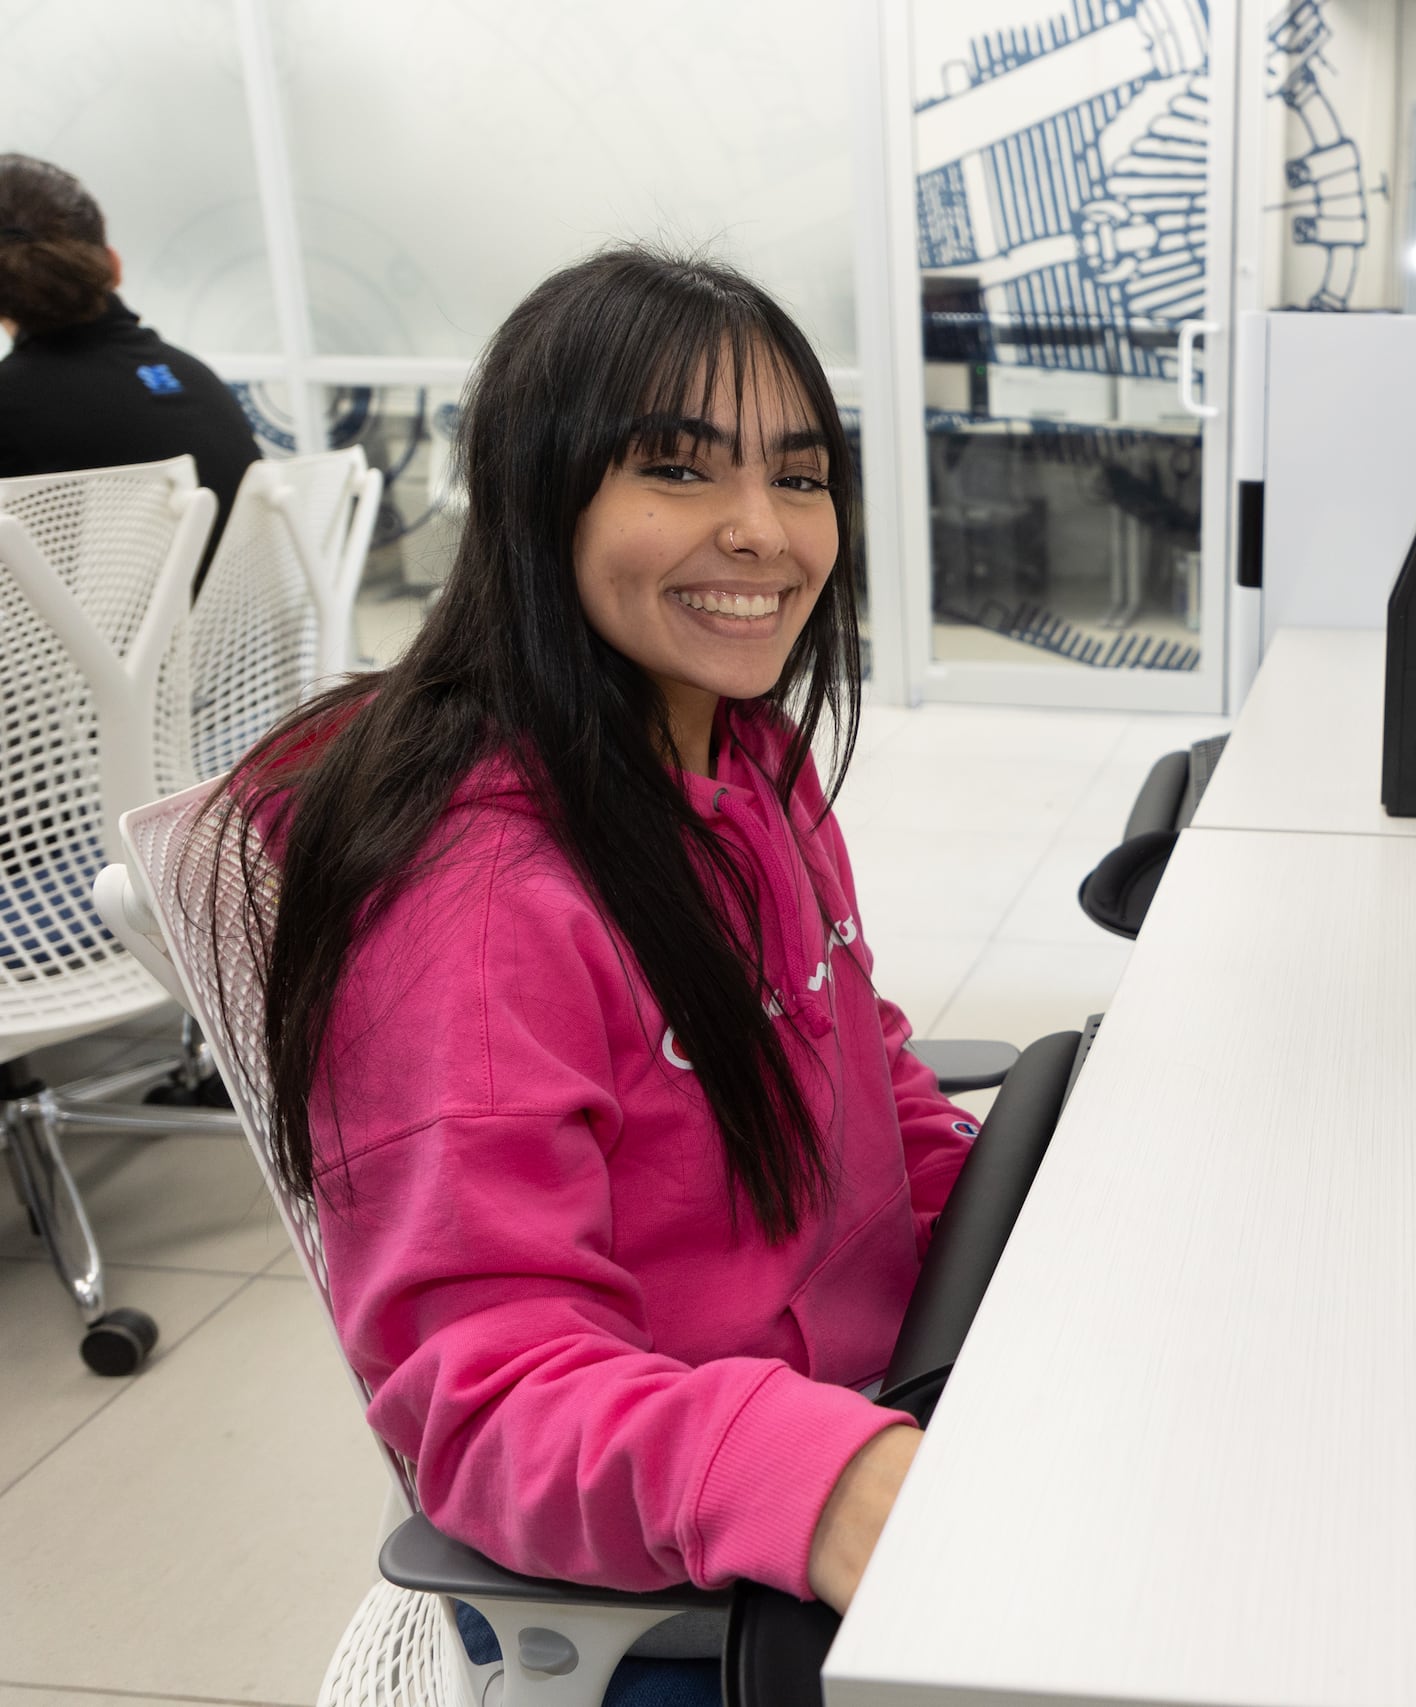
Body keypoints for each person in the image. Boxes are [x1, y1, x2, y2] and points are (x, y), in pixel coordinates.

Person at [212, 248, 973, 1666]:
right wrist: (828, 1480)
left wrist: (1013, 1209)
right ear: (535, 497)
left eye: (799, 476)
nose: (763, 530)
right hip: (664, 1597)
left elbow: (866, 1066)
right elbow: (483, 1403)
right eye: (679, 470)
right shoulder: (478, 897)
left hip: (867, 1409)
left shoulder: (751, 758)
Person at [0, 155, 262, 586]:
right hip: (245, 650)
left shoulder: (9, 406)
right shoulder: (198, 378)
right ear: (113, 266)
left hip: (90, 653)